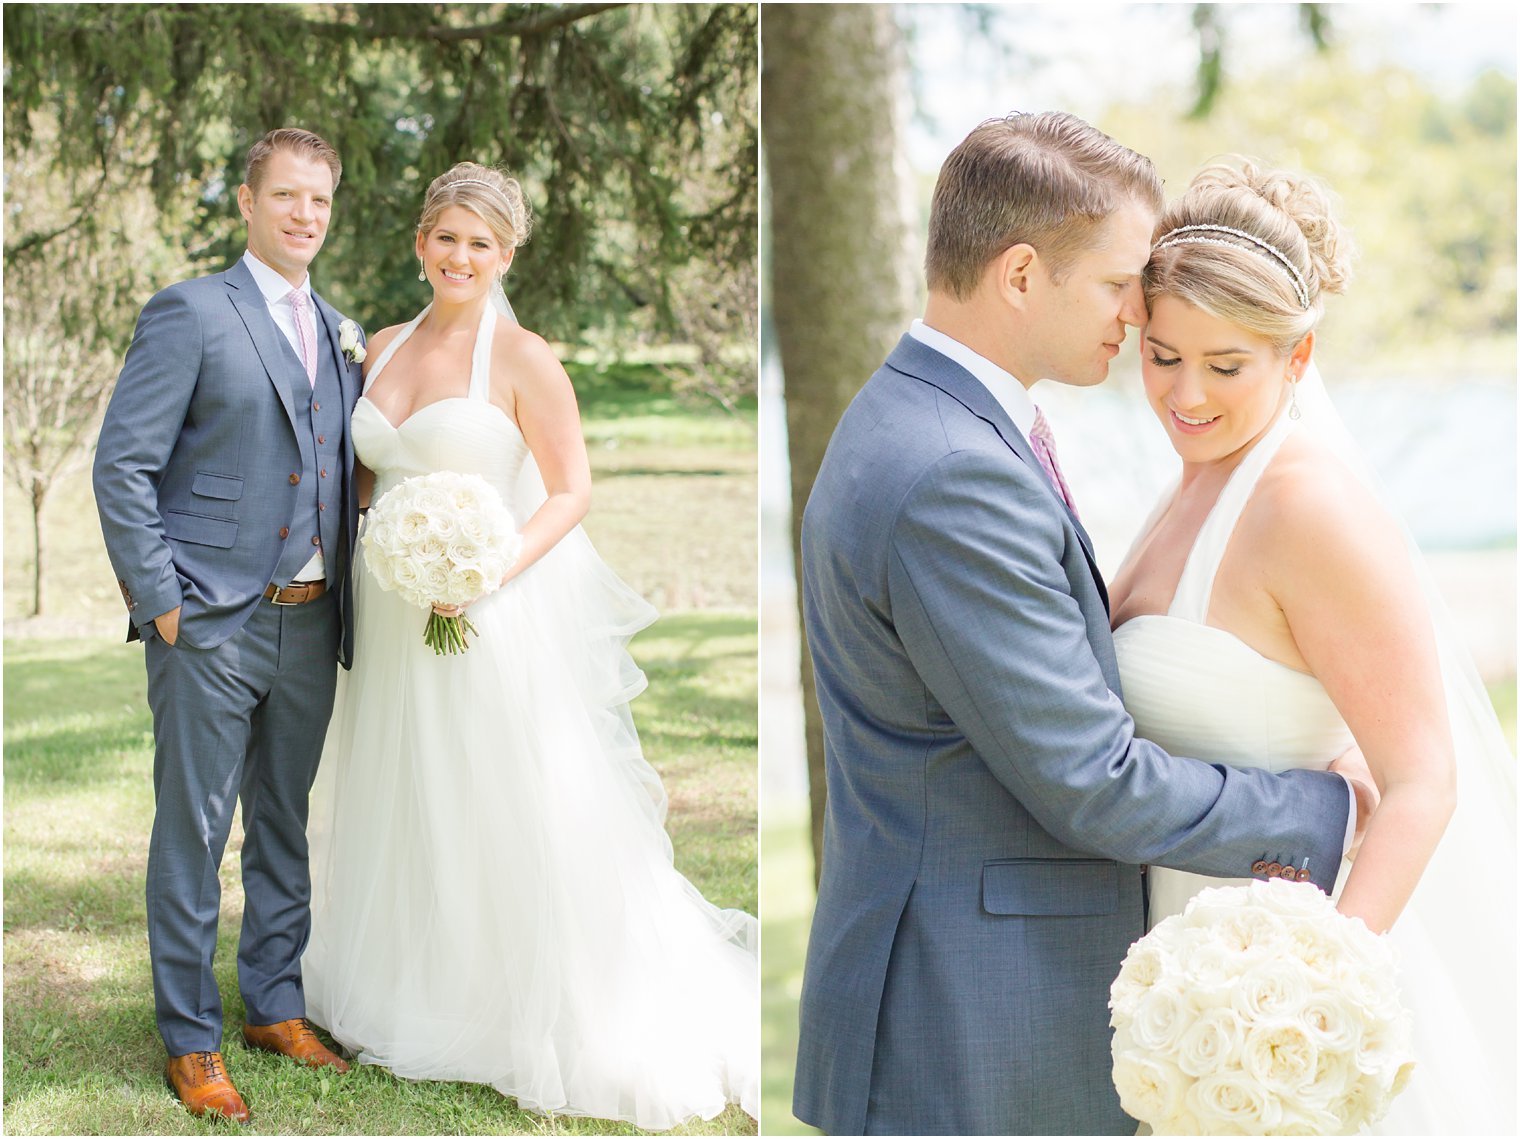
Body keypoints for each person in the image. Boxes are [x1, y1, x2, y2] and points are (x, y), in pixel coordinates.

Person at [791, 111, 1379, 1137]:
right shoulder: (951, 471)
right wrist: (1318, 808)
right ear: (1020, 274)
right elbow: (1089, 779)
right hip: (967, 1013)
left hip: (955, 985)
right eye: (1117, 284)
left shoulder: (927, 415)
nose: (1132, 311)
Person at [299, 162, 758, 1130]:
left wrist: (485, 567)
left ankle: (504, 997)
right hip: (390, 617)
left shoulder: (523, 358)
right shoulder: (377, 347)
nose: (460, 256)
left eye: (481, 242)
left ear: (505, 255)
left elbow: (570, 490)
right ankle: (407, 978)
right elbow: (367, 480)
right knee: (405, 791)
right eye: (446, 236)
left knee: (491, 800)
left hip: (483, 612)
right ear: (421, 242)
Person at [1111, 158, 1517, 1133]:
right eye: (1162, 354)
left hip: (1277, 1009)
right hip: (1174, 985)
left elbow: (1421, 776)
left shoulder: (1307, 505)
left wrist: (1311, 997)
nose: (1184, 394)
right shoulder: (1193, 477)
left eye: (1224, 365)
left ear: (1293, 361)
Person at [93, 127, 362, 1124]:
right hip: (207, 620)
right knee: (196, 830)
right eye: (286, 195)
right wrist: (160, 600)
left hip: (314, 613)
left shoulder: (340, 329)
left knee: (285, 824)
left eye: (320, 200)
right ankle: (192, 1037)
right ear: (246, 202)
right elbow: (121, 464)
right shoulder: (191, 312)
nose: (304, 214)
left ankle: (275, 1005)